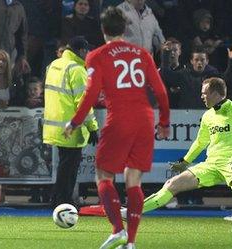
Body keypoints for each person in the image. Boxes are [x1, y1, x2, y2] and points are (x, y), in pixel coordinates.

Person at [64, 7, 170, 249]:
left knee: (103, 175)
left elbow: (90, 94)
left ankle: (117, 230)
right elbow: (161, 91)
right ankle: (131, 242)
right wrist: (163, 122)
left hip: (119, 118)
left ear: (103, 30)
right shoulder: (142, 53)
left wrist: (75, 121)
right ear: (125, 28)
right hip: (144, 119)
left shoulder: (97, 56)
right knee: (134, 181)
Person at [128, 77, 232, 234]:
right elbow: (200, 142)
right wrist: (185, 161)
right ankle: (131, 213)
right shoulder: (208, 116)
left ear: (216, 93)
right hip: (210, 164)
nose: (202, 96)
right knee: (171, 184)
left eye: (204, 93)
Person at [44, 36, 99, 208]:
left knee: (64, 165)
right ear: (82, 51)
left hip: (54, 124)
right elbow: (83, 102)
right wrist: (92, 127)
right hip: (71, 127)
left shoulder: (54, 64)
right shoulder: (77, 70)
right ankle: (62, 202)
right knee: (69, 168)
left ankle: (58, 200)